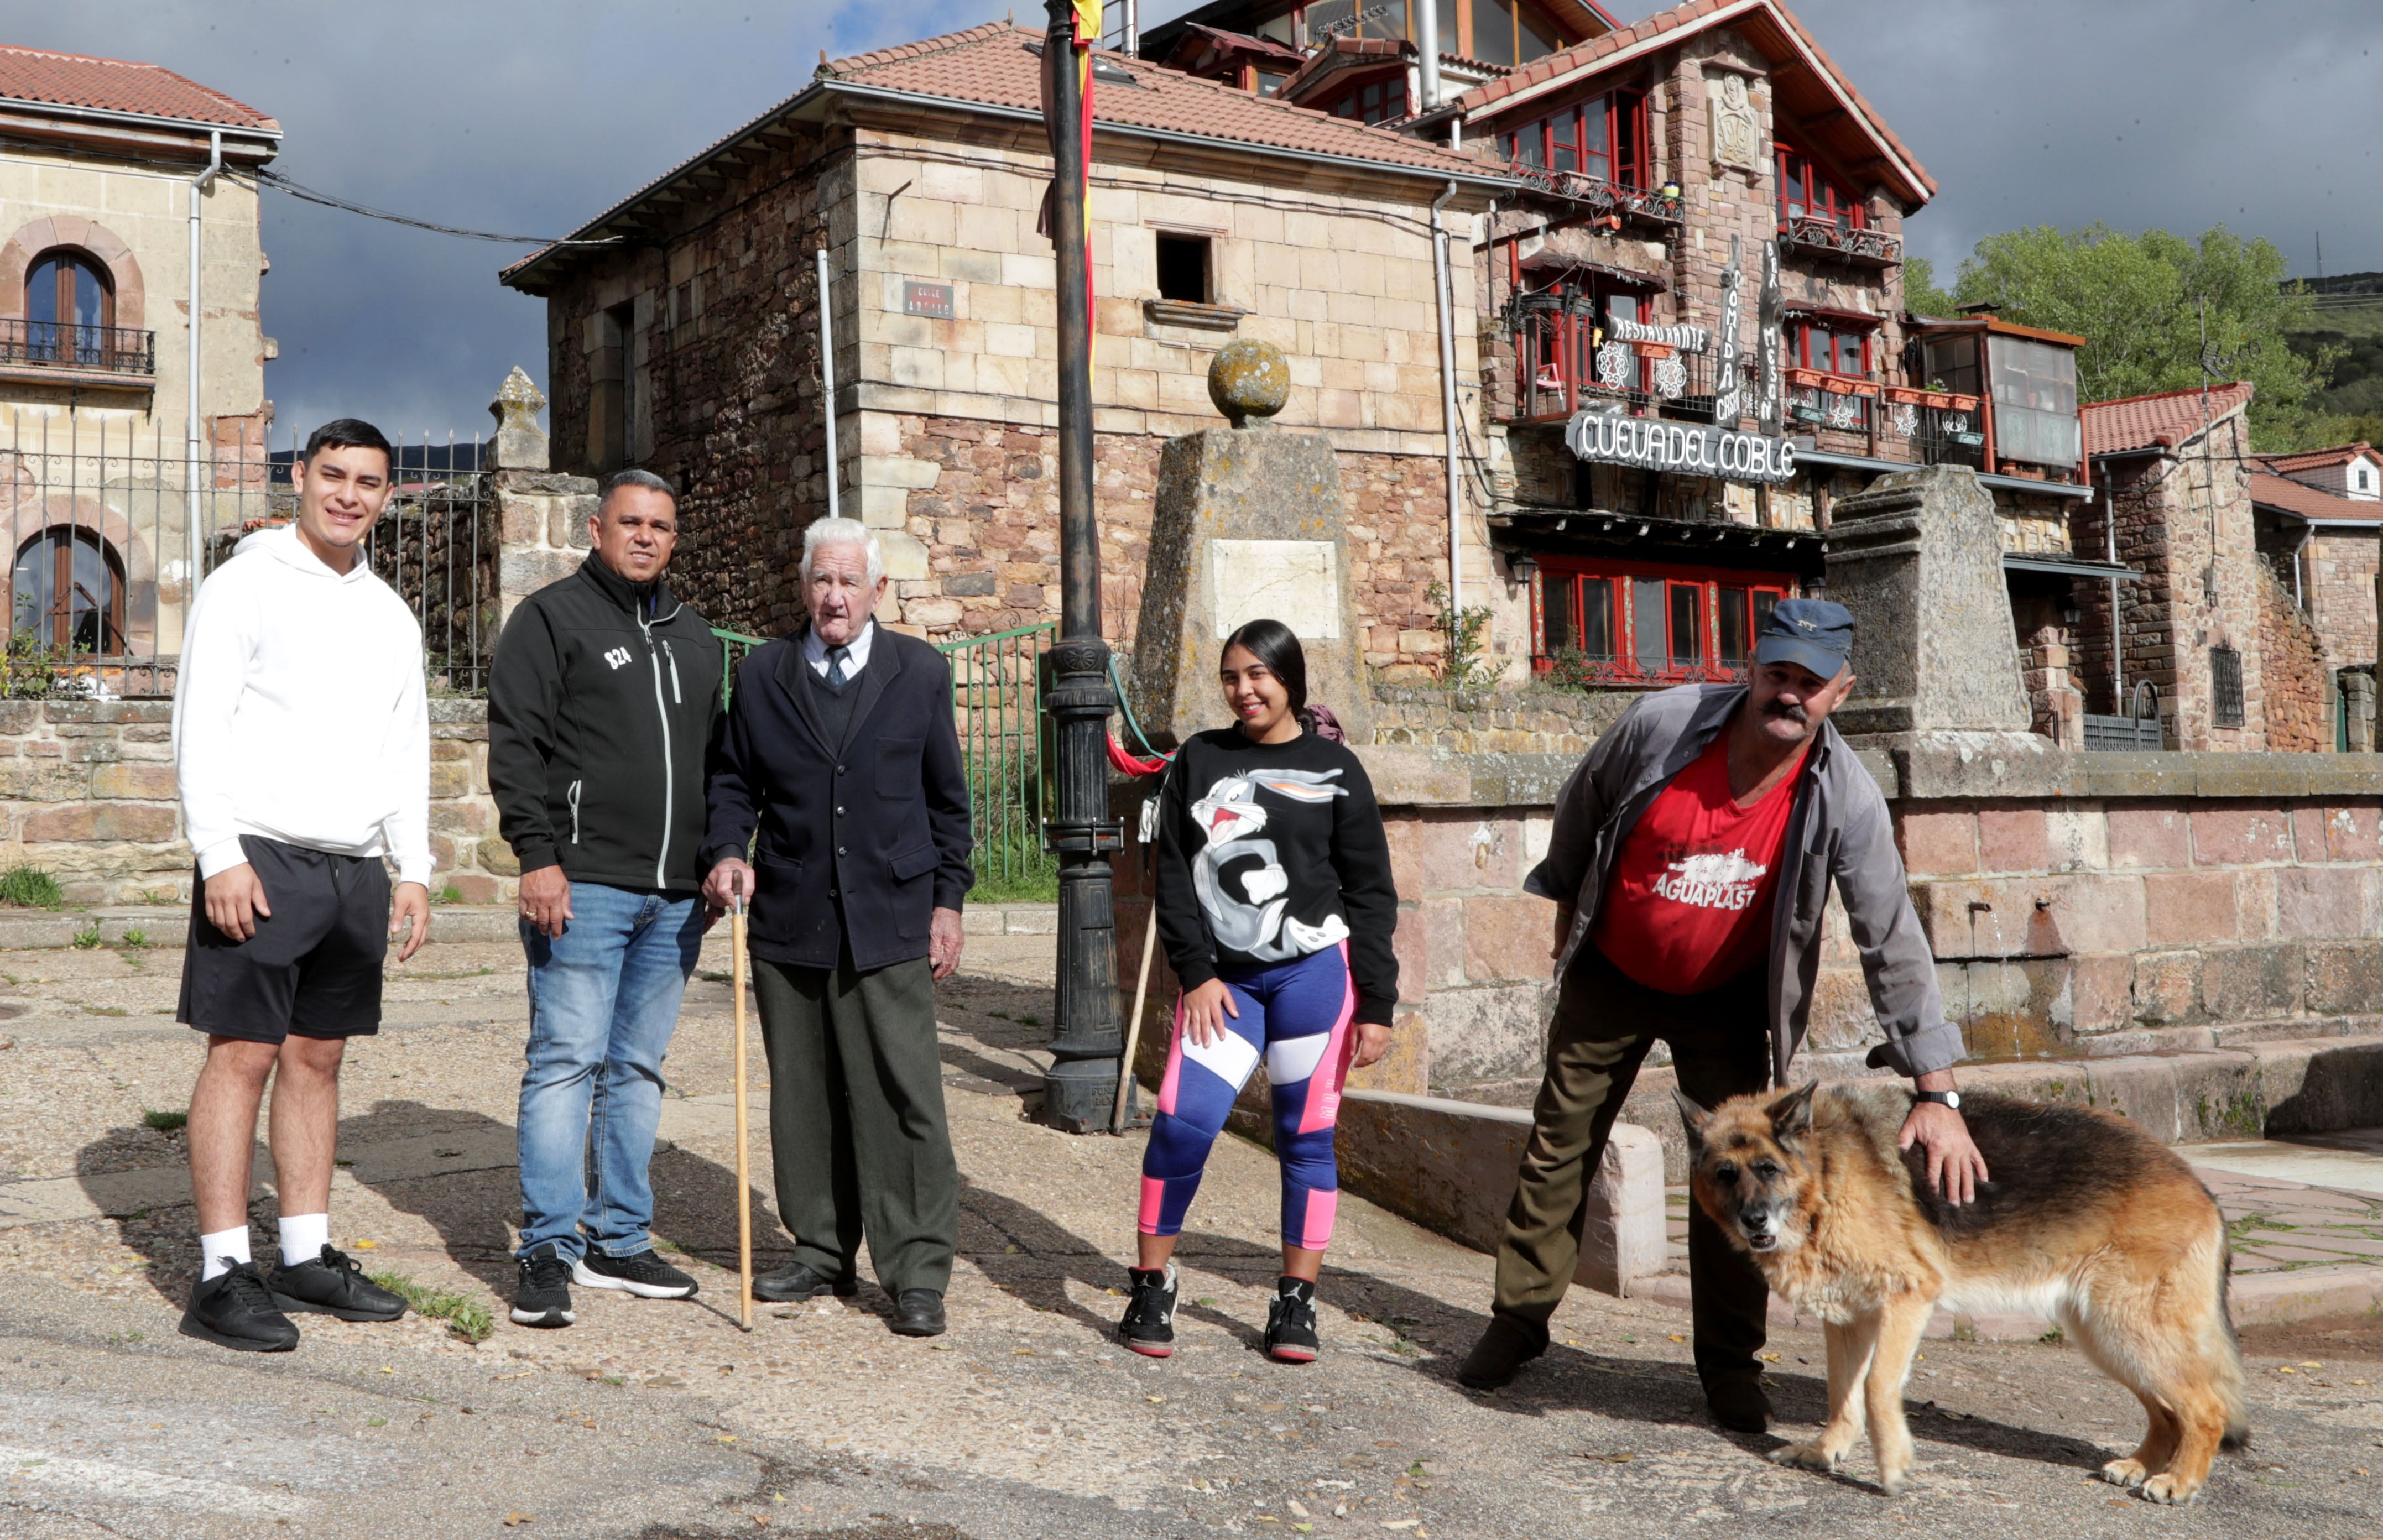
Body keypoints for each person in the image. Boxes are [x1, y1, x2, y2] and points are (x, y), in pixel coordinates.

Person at [1454, 598, 1988, 1430]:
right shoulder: (1661, 725)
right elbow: (1583, 800)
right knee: (1558, 1144)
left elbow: (1891, 934)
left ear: (1839, 692)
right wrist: (1564, 892)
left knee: (1743, 1172)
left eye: (1809, 683)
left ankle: (1730, 1367)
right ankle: (1516, 1322)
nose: (1789, 694)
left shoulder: (1841, 793)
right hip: (1615, 974)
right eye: (1777, 673)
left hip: (1731, 996)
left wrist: (1937, 1090)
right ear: (1750, 668)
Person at [172, 419, 429, 1351]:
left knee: (318, 1058)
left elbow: (406, 749)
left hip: (354, 868)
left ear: (388, 495)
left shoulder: (389, 614)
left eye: (369, 482)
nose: (349, 495)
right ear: (300, 476)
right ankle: (221, 1271)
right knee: (241, 1054)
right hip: (262, 857)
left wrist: (416, 868)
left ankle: (307, 1251)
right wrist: (218, 852)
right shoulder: (244, 583)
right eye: (334, 475)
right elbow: (199, 722)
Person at [700, 516, 973, 1338]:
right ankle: (821, 1247)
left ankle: (916, 1265)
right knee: (805, 1095)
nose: (834, 596)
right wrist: (726, 849)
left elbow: (946, 802)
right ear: (804, 584)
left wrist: (948, 901)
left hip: (891, 915)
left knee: (903, 1095)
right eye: (822, 580)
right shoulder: (762, 675)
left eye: (850, 581)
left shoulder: (918, 671)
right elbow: (731, 781)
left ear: (877, 590)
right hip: (790, 914)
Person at [1119, 619, 1399, 1364]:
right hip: (1226, 986)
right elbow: (1173, 873)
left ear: (1289, 680)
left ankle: (1296, 1300)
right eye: (1231, 676)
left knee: (1304, 1138)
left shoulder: (1337, 770)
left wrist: (1377, 1004)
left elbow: (1371, 892)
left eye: (1258, 675)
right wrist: (1197, 971)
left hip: (1313, 978)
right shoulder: (1199, 760)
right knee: (1182, 1126)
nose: (1244, 689)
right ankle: (1151, 1281)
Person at [487, 468, 724, 1328]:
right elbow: (516, 743)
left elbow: (719, 765)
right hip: (580, 885)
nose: (646, 537)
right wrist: (537, 857)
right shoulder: (551, 619)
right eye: (631, 522)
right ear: (596, 528)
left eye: (661, 525)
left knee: (638, 1069)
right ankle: (548, 1245)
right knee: (565, 1062)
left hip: (675, 898)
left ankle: (619, 1238)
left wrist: (725, 852)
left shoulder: (698, 639)